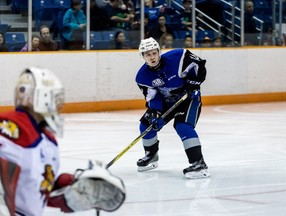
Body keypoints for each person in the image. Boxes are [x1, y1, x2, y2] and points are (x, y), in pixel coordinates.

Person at [0, 67, 126, 215]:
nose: (59, 105)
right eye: (55, 97)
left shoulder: (46, 140)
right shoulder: (12, 126)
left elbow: (34, 188)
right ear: (42, 98)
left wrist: (72, 186)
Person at [135, 37, 210, 179]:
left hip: (188, 99)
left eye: (154, 53)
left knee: (182, 125)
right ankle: (151, 155)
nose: (152, 57)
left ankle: (198, 163)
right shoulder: (142, 76)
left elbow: (200, 65)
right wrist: (155, 112)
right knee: (146, 125)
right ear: (142, 56)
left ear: (159, 52)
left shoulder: (178, 56)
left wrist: (192, 84)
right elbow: (153, 97)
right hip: (166, 102)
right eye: (147, 54)